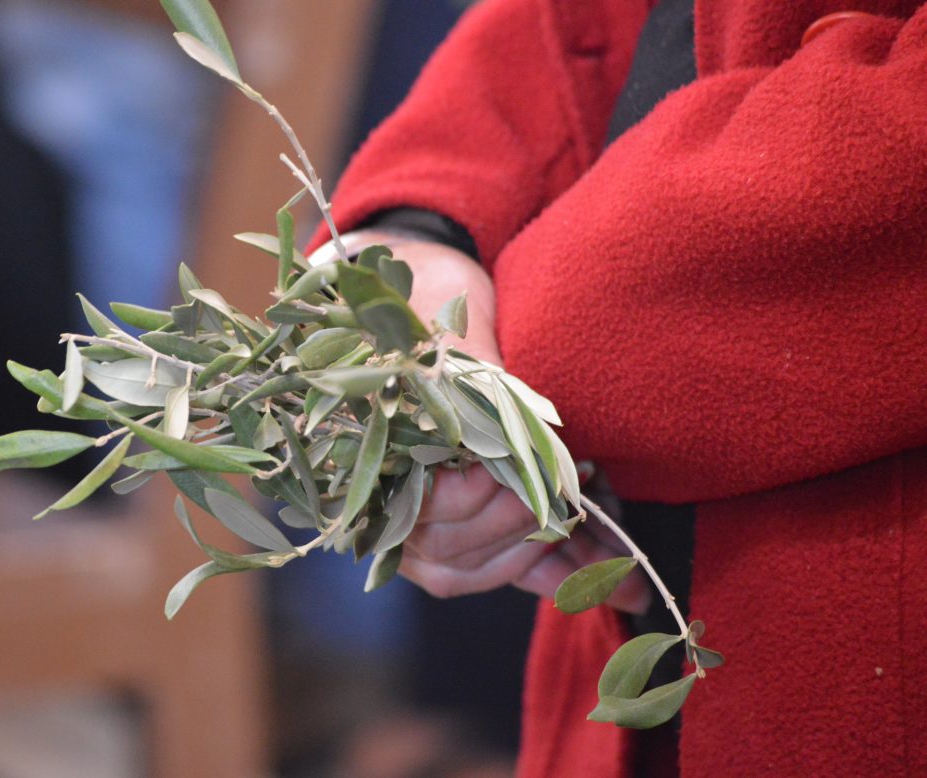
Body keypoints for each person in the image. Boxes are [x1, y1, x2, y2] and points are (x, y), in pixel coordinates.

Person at [311, 0, 927, 775]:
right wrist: (413, 237)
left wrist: (486, 358)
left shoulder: (541, 343)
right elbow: (572, 31)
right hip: (634, 661)